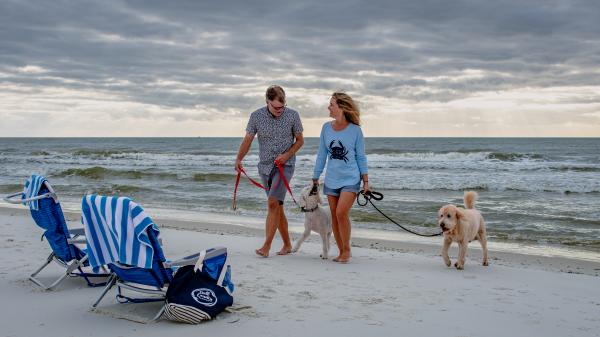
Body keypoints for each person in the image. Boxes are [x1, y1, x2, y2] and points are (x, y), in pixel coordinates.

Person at [235, 85, 304, 258]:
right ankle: (288, 244)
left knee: (272, 203)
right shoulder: (256, 116)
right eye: (276, 107)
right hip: (265, 167)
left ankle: (266, 246)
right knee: (278, 207)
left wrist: (287, 155)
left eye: (283, 106)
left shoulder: (293, 115)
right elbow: (248, 140)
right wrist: (238, 159)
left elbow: (300, 141)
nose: (280, 110)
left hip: (285, 165)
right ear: (267, 102)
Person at [312, 92, 369, 263]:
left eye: (331, 104)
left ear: (341, 107)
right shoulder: (326, 128)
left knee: (341, 212)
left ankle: (347, 250)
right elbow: (322, 154)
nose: (329, 107)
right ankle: (342, 250)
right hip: (331, 180)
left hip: (351, 179)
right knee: (336, 216)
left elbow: (361, 157)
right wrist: (316, 176)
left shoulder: (355, 131)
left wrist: (365, 181)